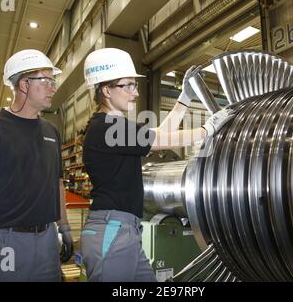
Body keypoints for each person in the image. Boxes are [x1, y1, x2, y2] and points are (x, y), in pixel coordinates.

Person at [80, 47, 231, 282]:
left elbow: (159, 134)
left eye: (135, 85)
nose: (135, 93)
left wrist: (184, 99)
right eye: (127, 85)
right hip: (111, 231)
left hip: (126, 229)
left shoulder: (114, 128)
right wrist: (206, 130)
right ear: (106, 90)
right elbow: (159, 140)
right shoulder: (105, 128)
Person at [0, 49, 73, 282]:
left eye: (54, 80)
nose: (54, 87)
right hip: (5, 240)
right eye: (47, 80)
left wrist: (64, 226)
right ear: (24, 84)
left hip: (47, 240)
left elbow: (57, 184)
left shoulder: (51, 131)